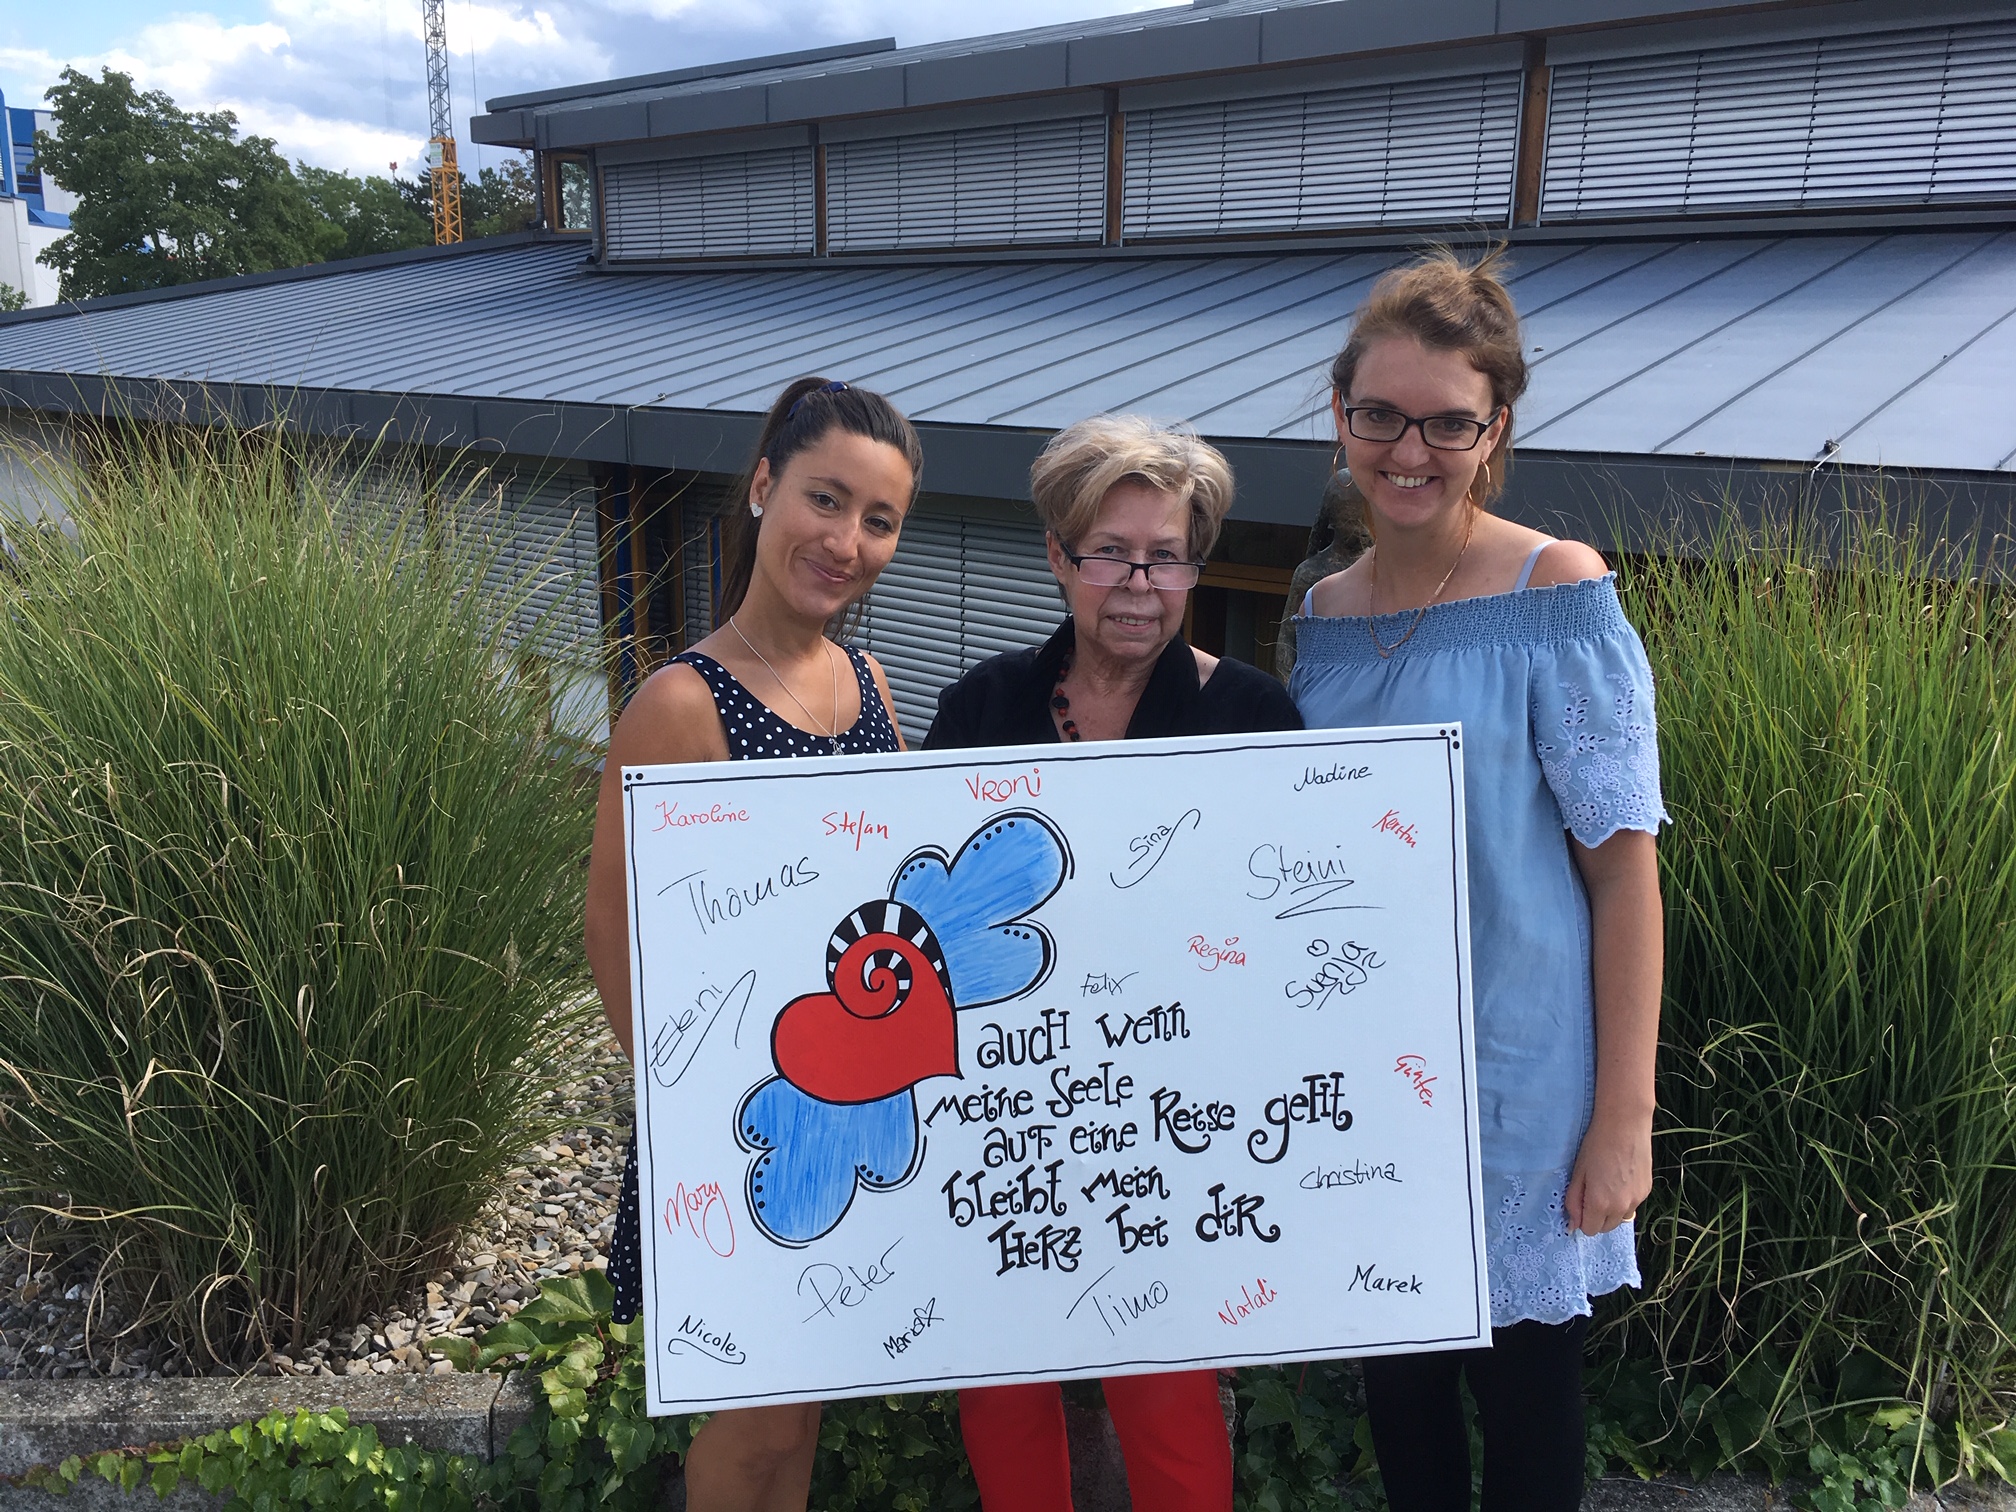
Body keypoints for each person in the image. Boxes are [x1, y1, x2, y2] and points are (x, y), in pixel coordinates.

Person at [1289, 249, 1666, 1512]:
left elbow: (1624, 874)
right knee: (1402, 1412)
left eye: (1451, 421)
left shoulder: (1555, 585)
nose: (1411, 449)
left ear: (1497, 426)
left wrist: (1625, 1120)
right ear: (1339, 412)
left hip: (1522, 1089)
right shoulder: (1321, 616)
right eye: (1381, 414)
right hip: (1367, 1093)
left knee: (1528, 1422)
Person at [923, 413, 1300, 1512]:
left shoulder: (1254, 717)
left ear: (1195, 563)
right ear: (1058, 556)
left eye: (1167, 555)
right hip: (1004, 1107)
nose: (1139, 583)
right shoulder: (980, 708)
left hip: (1176, 1110)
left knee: (1171, 1390)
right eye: (1110, 553)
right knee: (998, 1384)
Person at [583, 377, 922, 1512]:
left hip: (846, 1104)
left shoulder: (869, 684)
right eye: (825, 500)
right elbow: (612, 933)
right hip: (737, 1128)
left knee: (801, 1404)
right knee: (753, 1415)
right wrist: (690, 1124)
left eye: (879, 521)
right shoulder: (683, 703)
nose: (847, 541)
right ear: (765, 487)